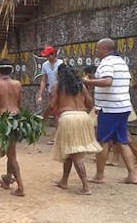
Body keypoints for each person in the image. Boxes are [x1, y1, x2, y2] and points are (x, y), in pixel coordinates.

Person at [83, 38, 137, 184]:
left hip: (110, 109)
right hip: (122, 107)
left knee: (102, 141)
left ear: (105, 49)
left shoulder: (107, 62)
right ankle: (133, 175)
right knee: (122, 141)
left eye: (97, 49)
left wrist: (87, 82)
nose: (96, 51)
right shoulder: (121, 62)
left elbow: (108, 81)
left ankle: (99, 176)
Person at [50, 64, 102, 195]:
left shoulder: (57, 86)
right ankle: (64, 181)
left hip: (68, 119)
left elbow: (51, 106)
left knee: (76, 155)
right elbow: (90, 103)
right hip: (83, 117)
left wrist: (42, 118)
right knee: (71, 151)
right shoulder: (81, 86)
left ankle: (86, 187)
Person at [0, 59, 25, 196]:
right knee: (11, 152)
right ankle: (8, 180)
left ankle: (20, 187)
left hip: (4, 120)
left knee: (12, 155)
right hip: (16, 119)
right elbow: (19, 103)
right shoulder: (18, 84)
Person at [37, 45, 63, 144]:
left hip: (60, 92)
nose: (47, 58)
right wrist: (40, 95)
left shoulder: (61, 64)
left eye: (48, 55)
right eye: (46, 56)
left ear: (53, 54)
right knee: (55, 113)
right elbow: (44, 80)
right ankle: (57, 136)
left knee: (58, 114)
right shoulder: (45, 65)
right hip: (51, 92)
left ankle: (57, 137)